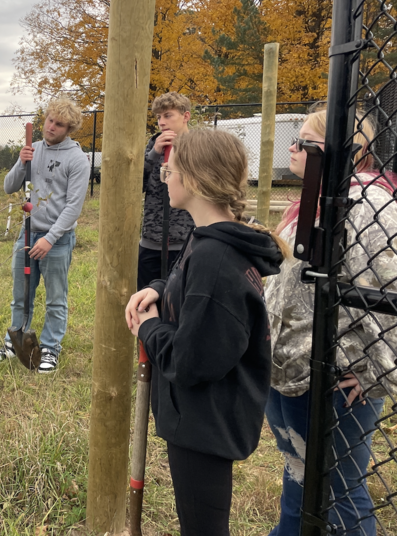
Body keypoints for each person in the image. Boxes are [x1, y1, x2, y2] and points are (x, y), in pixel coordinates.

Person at [125, 129, 286, 535]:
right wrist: (158, 291)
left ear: (194, 180)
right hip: (198, 416)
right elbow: (186, 285)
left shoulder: (217, 258)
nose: (166, 177)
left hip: (205, 422)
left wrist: (149, 327)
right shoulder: (208, 237)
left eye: (170, 170)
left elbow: (190, 361)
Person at [265, 109, 397, 535]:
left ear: (350, 151)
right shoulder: (313, 198)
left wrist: (379, 372)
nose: (293, 148)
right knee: (299, 480)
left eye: (305, 141)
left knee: (340, 492)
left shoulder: (371, 204)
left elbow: (389, 290)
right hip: (292, 370)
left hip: (339, 379)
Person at [0, 98, 90, 373]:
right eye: (50, 120)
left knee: (56, 298)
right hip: (27, 233)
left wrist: (50, 238)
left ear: (69, 128)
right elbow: (10, 187)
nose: (52, 127)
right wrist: (22, 162)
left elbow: (73, 207)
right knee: (20, 294)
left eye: (59, 124)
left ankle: (50, 348)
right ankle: (15, 340)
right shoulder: (32, 150)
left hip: (56, 239)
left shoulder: (77, 159)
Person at [139, 92, 195, 289]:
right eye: (158, 117)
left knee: (179, 299)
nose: (162, 122)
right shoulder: (153, 145)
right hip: (151, 239)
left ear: (185, 116)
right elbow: (138, 187)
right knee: (147, 296)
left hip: (185, 240)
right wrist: (153, 154)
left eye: (168, 115)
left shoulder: (198, 145)